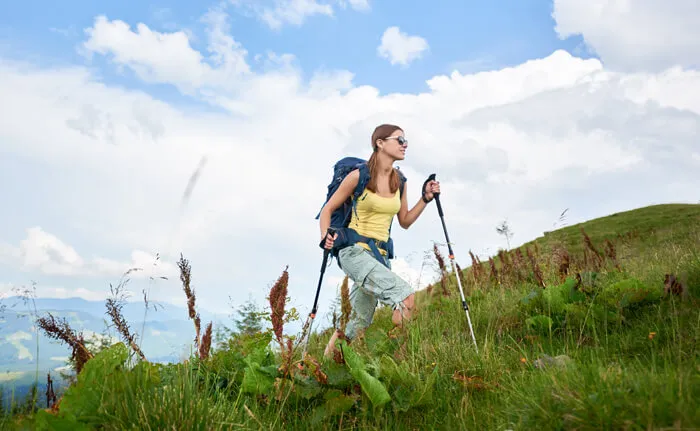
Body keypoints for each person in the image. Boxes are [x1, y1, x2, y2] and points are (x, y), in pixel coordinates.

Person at [318, 123, 440, 357]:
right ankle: (399, 360)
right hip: (353, 252)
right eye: (399, 139)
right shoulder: (359, 176)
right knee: (406, 298)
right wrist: (325, 237)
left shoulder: (400, 182)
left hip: (380, 257)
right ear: (380, 143)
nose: (405, 145)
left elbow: (404, 221)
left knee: (357, 321)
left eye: (406, 141)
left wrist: (425, 199)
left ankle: (327, 364)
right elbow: (328, 209)